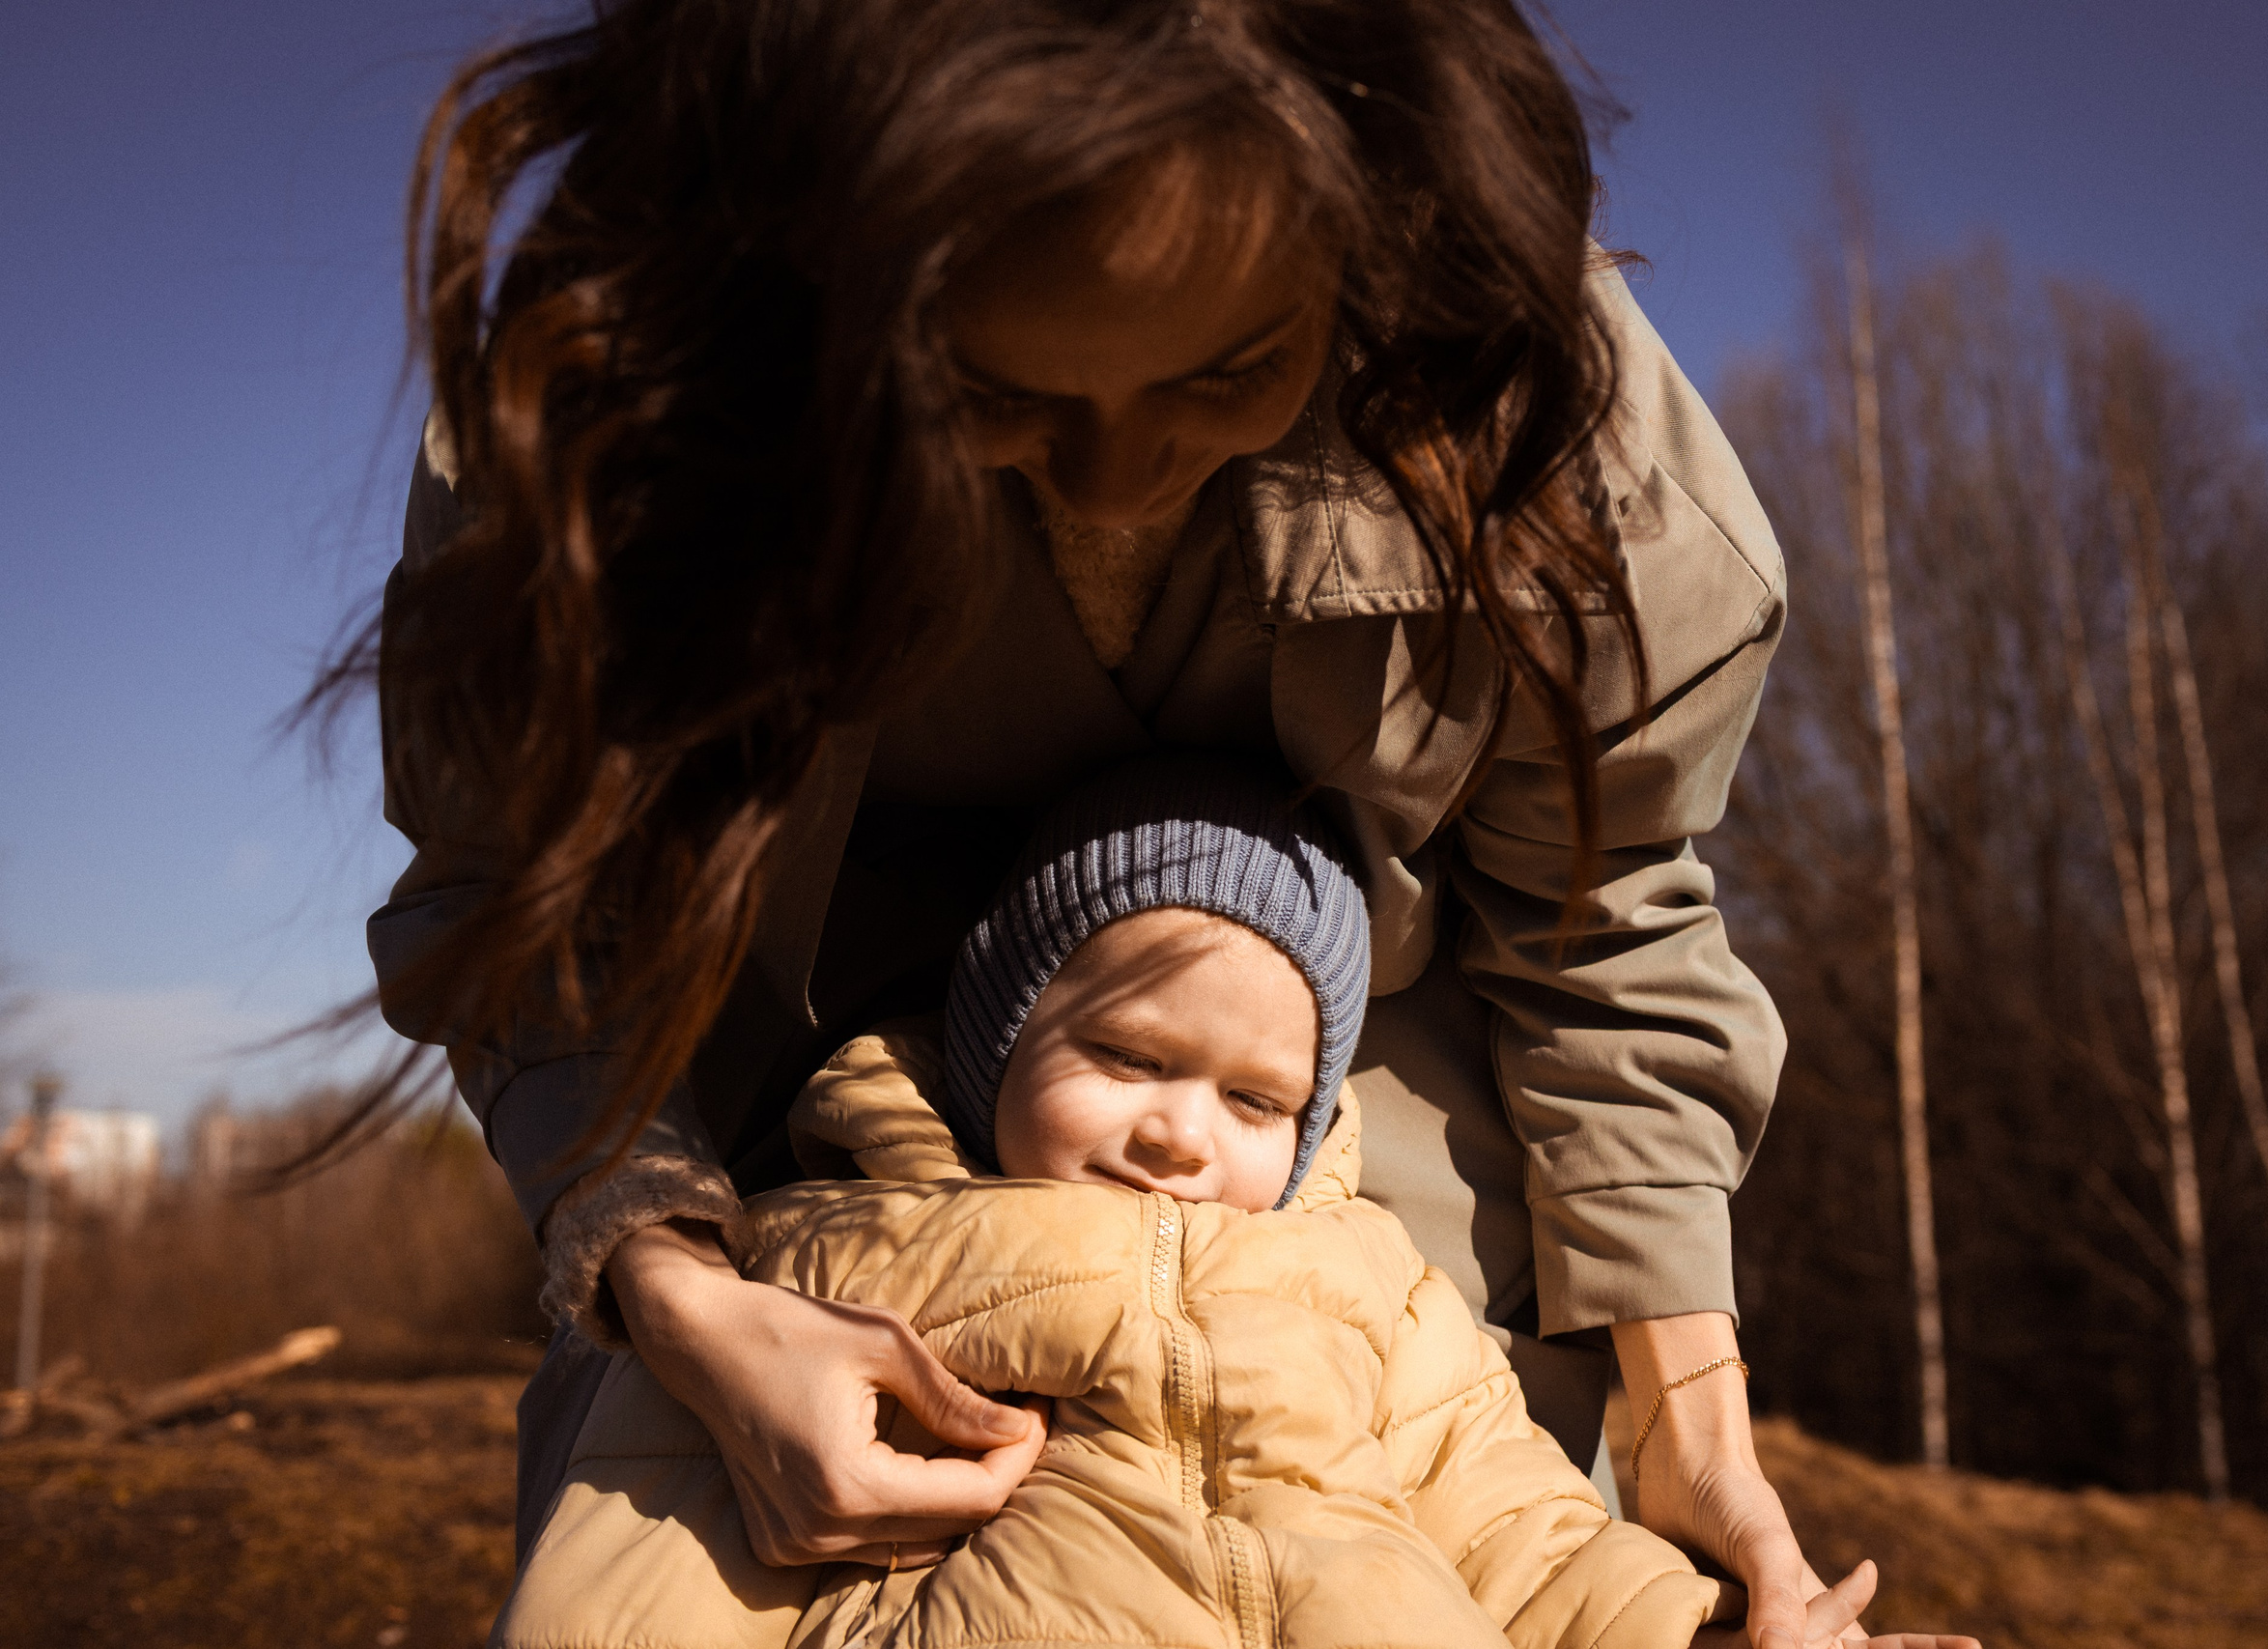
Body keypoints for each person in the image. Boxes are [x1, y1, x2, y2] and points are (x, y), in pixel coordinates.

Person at [355, 3, 1971, 1644]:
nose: (1120, 477)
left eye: (1226, 370)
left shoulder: (1544, 416)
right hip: (785, 1131)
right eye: (993, 390)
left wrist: (1685, 1428)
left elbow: (1601, 918)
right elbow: (535, 909)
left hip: (1365, 1123)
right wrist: (682, 1299)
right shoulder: (621, 394)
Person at [498, 756, 1827, 1648]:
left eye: (1255, 1102)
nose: (1180, 1132)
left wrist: (1688, 1628)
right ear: (998, 1046)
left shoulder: (1371, 1281)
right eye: (1126, 1058)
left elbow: (1519, 1536)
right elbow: (648, 1565)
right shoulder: (847, 1247)